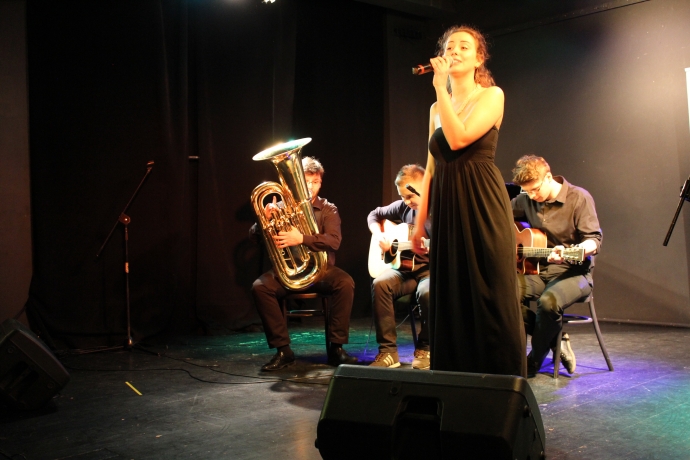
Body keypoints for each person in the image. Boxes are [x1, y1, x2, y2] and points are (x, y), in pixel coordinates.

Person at [410, 25, 526, 377]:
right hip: (448, 208)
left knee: (490, 293)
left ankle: (503, 383)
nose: (455, 51)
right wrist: (419, 224)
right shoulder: (436, 108)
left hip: (482, 202)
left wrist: (439, 87)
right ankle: (456, 380)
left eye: (464, 46)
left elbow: (458, 139)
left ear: (479, 58)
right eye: (449, 46)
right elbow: (431, 166)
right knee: (452, 294)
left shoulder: (491, 96)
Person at [250, 156, 358, 371]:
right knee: (260, 287)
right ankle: (283, 351)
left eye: (315, 181)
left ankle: (336, 349)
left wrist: (302, 239)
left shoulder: (328, 209)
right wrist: (264, 220)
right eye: (306, 181)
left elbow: (334, 241)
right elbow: (254, 237)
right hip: (289, 270)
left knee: (345, 283)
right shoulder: (280, 206)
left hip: (321, 270)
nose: (310, 186)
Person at [511, 155, 602, 377]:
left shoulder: (579, 198)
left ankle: (535, 359)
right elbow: (498, 218)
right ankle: (556, 340)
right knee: (501, 293)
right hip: (539, 272)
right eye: (527, 192)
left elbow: (593, 240)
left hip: (574, 273)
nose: (532, 196)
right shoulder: (525, 199)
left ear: (548, 177)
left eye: (535, 189)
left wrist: (578, 250)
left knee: (548, 303)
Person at [367, 164, 431, 369]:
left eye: (410, 196)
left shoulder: (440, 209)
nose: (406, 201)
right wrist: (379, 235)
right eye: (402, 197)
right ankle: (388, 352)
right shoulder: (404, 207)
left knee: (428, 292)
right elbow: (374, 215)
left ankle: (426, 348)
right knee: (380, 284)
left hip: (430, 272)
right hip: (406, 271)